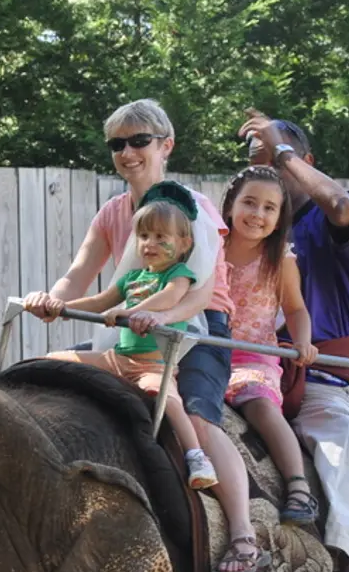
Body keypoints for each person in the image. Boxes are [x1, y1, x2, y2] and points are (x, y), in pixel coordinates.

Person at [23, 99, 260, 554]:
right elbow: (79, 274)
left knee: (196, 415)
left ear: (165, 146)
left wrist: (160, 317)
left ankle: (243, 533)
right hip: (129, 326)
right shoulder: (114, 212)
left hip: (196, 327)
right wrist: (53, 299)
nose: (127, 152)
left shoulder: (195, 209)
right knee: (44, 375)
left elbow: (199, 291)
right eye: (117, 144)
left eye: (139, 141)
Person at [238, 109, 349, 572]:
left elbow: (340, 203)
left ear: (303, 163)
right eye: (257, 167)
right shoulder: (242, 231)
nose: (268, 174)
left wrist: (282, 150)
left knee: (343, 443)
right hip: (244, 368)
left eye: (277, 163)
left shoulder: (332, 221)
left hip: (317, 381)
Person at [40, 186, 217, 488]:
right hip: (118, 358)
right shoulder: (132, 278)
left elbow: (170, 297)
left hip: (151, 365)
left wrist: (133, 312)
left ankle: (196, 456)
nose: (151, 243)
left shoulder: (179, 274)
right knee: (50, 362)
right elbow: (100, 301)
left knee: (168, 399)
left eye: (162, 237)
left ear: (184, 243)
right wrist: (61, 307)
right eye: (145, 236)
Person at [211, 165, 319, 572]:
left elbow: (294, 308)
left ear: (280, 218)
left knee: (257, 402)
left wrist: (302, 340)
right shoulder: (211, 249)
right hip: (209, 351)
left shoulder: (280, 259)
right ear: (230, 206)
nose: (258, 214)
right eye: (250, 203)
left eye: (269, 208)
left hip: (253, 356)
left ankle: (297, 486)